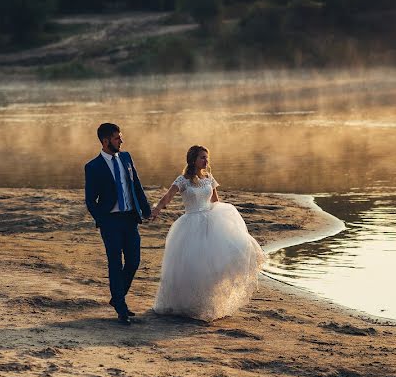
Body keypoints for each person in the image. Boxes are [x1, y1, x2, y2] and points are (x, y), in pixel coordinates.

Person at [151, 145, 265, 322]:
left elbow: (215, 201)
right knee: (193, 264)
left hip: (210, 220)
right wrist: (157, 209)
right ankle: (185, 302)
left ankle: (206, 303)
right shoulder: (183, 180)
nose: (206, 161)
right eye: (202, 157)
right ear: (193, 160)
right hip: (190, 223)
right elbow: (168, 197)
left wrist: (223, 221)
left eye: (206, 157)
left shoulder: (209, 178)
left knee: (212, 263)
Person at [84, 123, 151, 326]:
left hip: (130, 219)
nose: (121, 141)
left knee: (133, 262)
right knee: (115, 262)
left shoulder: (126, 158)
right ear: (105, 141)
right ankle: (121, 308)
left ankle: (117, 297)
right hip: (110, 222)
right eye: (116, 138)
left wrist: (145, 210)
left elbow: (136, 185)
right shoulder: (93, 166)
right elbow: (90, 200)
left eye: (120, 137)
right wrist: (102, 220)